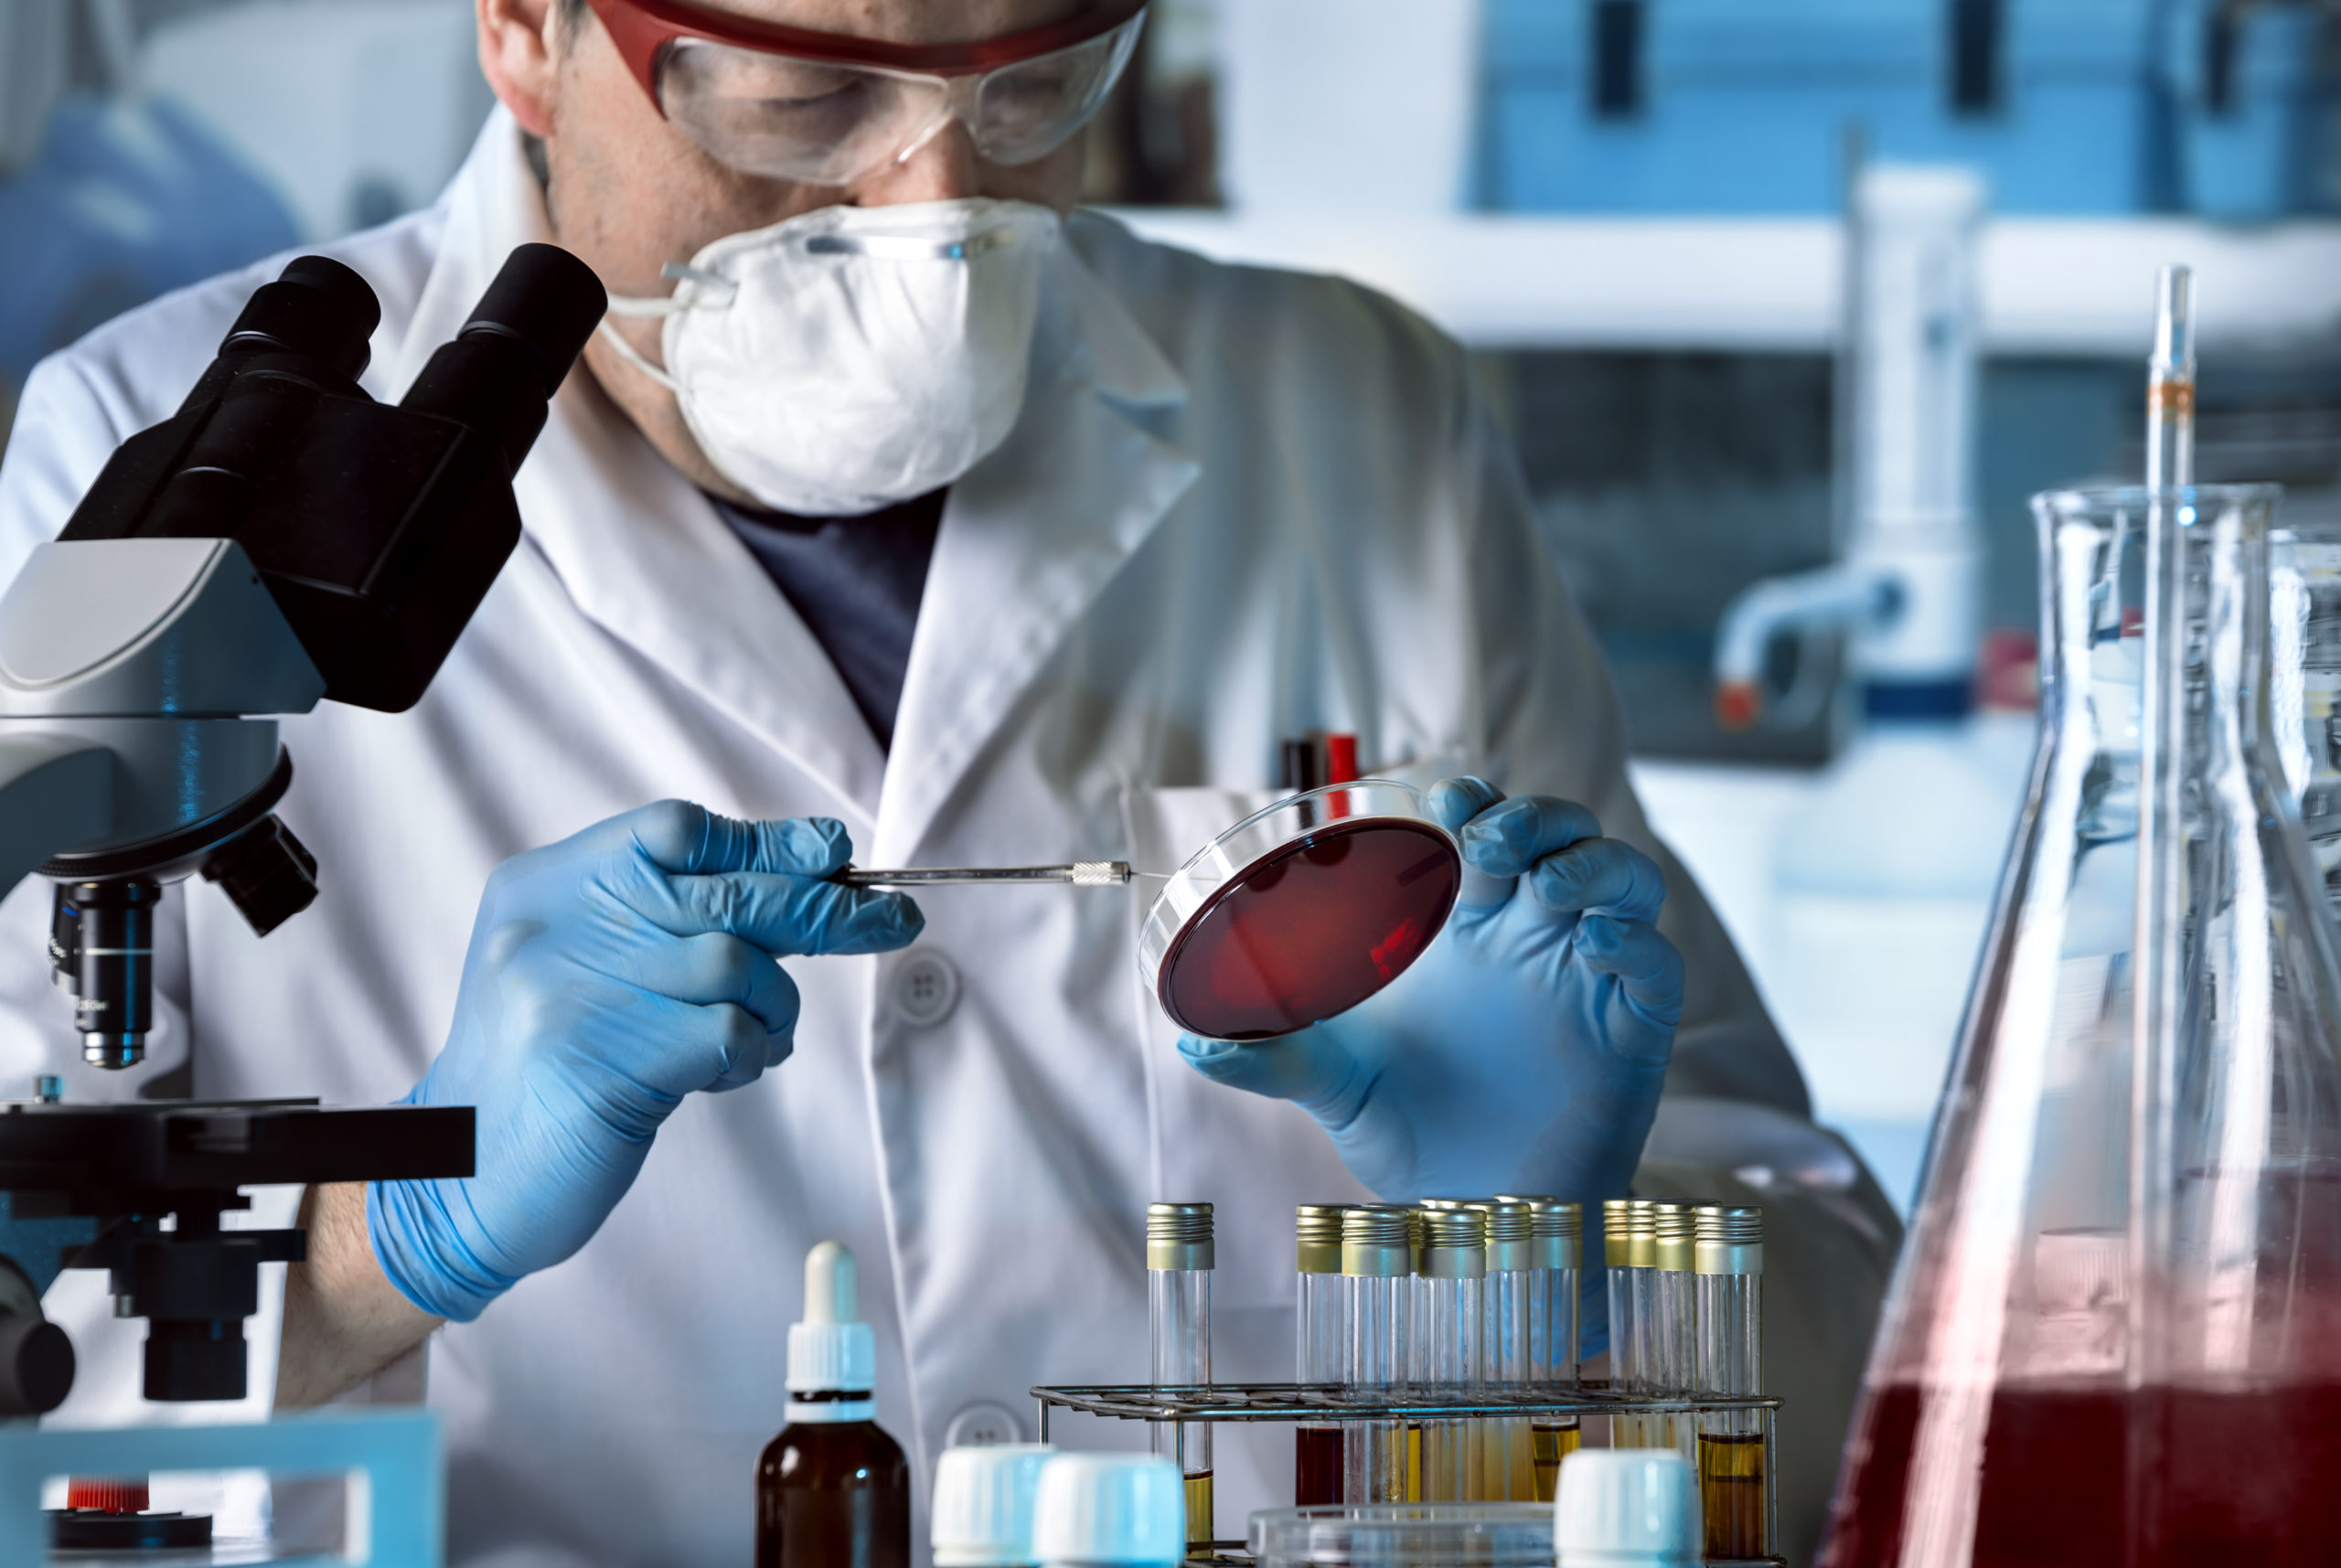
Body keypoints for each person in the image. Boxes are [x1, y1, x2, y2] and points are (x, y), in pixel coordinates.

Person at [0, 0, 1900, 1562]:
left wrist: (1545, 1274)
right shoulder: (138, 463)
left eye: (1027, 85)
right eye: (804, 94)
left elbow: (1848, 1364)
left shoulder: (1353, 417)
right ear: (523, 34)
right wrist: (383, 1245)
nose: (928, 205)